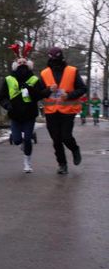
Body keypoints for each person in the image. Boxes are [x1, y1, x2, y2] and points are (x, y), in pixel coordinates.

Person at [0, 43, 46, 173]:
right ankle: (22, 145)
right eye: (20, 62)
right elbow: (2, 97)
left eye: (24, 62)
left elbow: (39, 95)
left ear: (28, 64)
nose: (22, 64)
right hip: (15, 115)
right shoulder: (8, 79)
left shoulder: (34, 79)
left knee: (28, 139)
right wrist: (7, 105)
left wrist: (30, 89)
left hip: (29, 115)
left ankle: (27, 163)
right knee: (17, 140)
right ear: (16, 65)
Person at [40, 46, 87, 175]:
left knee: (66, 137)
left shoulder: (72, 71)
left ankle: (75, 149)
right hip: (51, 111)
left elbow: (82, 89)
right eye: (53, 59)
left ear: (62, 57)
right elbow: (39, 92)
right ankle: (62, 164)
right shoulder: (44, 73)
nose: (55, 61)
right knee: (56, 139)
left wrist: (69, 95)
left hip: (68, 109)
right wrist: (49, 90)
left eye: (57, 58)